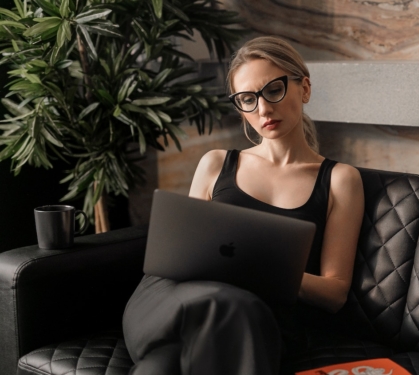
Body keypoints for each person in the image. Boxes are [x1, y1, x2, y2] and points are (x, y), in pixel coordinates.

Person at [122, 36, 365, 375]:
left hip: (253, 319)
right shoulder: (215, 163)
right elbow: (184, 256)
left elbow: (335, 292)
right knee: (220, 308)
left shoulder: (340, 179)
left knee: (163, 367)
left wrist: (260, 269)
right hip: (174, 299)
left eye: (274, 90)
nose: (263, 109)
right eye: (248, 99)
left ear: (304, 88)